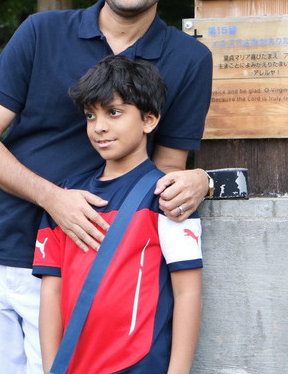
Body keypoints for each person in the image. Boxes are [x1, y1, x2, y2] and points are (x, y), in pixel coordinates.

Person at [0, 0, 214, 374]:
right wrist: (55, 200)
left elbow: (166, 171)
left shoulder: (189, 59)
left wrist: (200, 181)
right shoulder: (41, 32)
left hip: (90, 270)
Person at [34, 55, 202, 374]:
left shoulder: (166, 195)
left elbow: (188, 291)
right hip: (73, 365)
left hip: (139, 364)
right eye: (90, 115)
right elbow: (51, 291)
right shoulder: (66, 200)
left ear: (149, 120)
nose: (99, 127)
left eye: (114, 112)